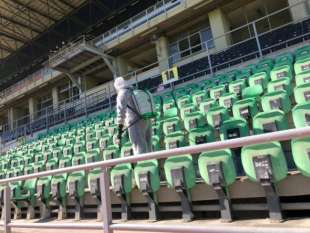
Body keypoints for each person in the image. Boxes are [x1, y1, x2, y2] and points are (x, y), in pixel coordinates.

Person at [114, 76, 153, 155]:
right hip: (146, 119)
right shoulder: (134, 89)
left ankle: (143, 166)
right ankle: (151, 165)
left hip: (135, 124)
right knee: (149, 147)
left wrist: (119, 132)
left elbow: (120, 114)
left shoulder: (122, 93)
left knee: (139, 149)